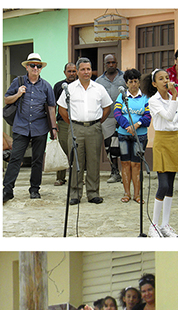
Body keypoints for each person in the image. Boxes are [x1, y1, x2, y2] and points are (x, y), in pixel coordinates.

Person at [57, 58, 113, 205]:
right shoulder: (70, 88)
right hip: (76, 128)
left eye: (88, 69)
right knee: (76, 161)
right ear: (77, 71)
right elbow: (61, 108)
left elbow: (107, 107)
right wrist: (72, 123)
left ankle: (93, 193)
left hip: (94, 128)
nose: (86, 72)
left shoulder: (99, 88)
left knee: (94, 161)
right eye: (82, 69)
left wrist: (98, 122)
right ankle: (75, 194)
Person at [3, 53, 57, 202]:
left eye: (38, 66)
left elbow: (51, 108)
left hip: (40, 127)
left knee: (37, 160)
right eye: (32, 65)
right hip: (21, 126)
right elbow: (7, 99)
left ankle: (34, 189)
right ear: (27, 67)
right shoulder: (18, 81)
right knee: (15, 158)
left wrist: (53, 128)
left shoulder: (46, 86)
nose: (35, 68)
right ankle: (7, 190)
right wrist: (18, 94)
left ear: (41, 69)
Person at [143, 70, 178, 237]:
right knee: (162, 184)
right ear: (154, 84)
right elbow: (169, 116)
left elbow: (176, 121)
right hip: (162, 142)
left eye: (167, 78)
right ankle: (153, 226)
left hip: (173, 141)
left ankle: (165, 225)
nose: (166, 81)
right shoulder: (153, 101)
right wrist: (176, 96)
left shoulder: (171, 99)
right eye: (161, 79)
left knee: (170, 185)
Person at [114, 68, 150, 204]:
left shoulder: (145, 97)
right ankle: (126, 193)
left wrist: (137, 125)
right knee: (125, 163)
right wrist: (126, 126)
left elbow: (148, 116)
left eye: (136, 81)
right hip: (124, 135)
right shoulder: (122, 96)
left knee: (136, 164)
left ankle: (137, 194)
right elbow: (117, 113)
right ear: (126, 83)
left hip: (139, 136)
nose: (134, 84)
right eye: (131, 82)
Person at [96, 53, 126, 185]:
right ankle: (115, 172)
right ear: (104, 64)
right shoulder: (98, 82)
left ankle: (126, 172)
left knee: (123, 144)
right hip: (107, 117)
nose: (111, 65)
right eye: (108, 63)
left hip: (123, 116)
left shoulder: (124, 77)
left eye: (113, 62)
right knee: (110, 145)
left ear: (117, 63)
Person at [52, 63, 77, 187]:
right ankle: (60, 178)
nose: (71, 73)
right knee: (62, 150)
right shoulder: (58, 86)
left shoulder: (80, 86)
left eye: (74, 71)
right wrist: (53, 124)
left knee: (76, 150)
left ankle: (76, 178)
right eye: (69, 71)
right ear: (64, 72)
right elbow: (53, 106)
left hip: (77, 122)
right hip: (62, 123)